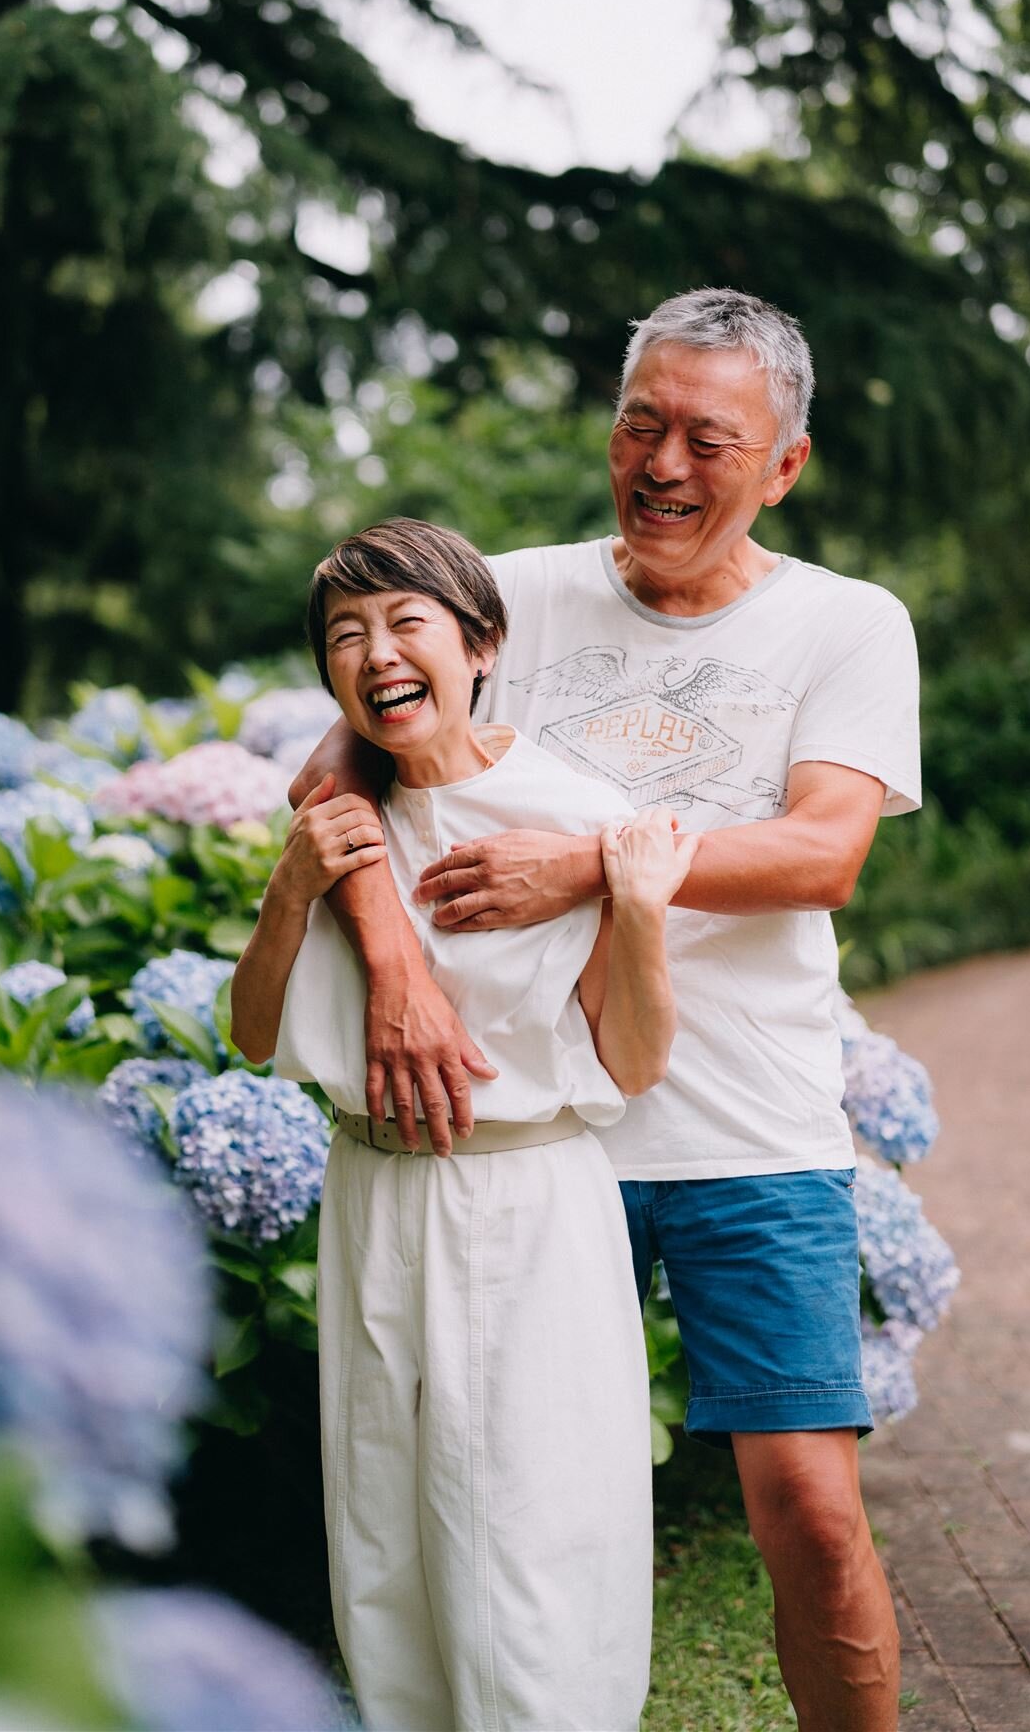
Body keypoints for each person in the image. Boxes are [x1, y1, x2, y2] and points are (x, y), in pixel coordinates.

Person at [292, 289, 921, 1732]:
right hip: (531, 1145)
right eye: (642, 421)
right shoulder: (499, 596)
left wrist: (580, 861)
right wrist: (391, 968)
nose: (663, 464)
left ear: (783, 466)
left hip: (744, 1127)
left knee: (811, 1516)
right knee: (495, 1517)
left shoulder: (844, 624)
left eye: (710, 438)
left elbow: (823, 854)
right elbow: (330, 783)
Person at [231, 517, 696, 1732]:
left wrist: (635, 907)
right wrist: (293, 885)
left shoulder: (570, 810)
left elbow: (633, 1059)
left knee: (526, 1537)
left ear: (481, 643)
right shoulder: (337, 817)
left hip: (525, 1196)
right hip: (371, 1190)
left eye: (405, 623)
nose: (376, 652)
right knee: (383, 1530)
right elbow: (250, 1028)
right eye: (346, 635)